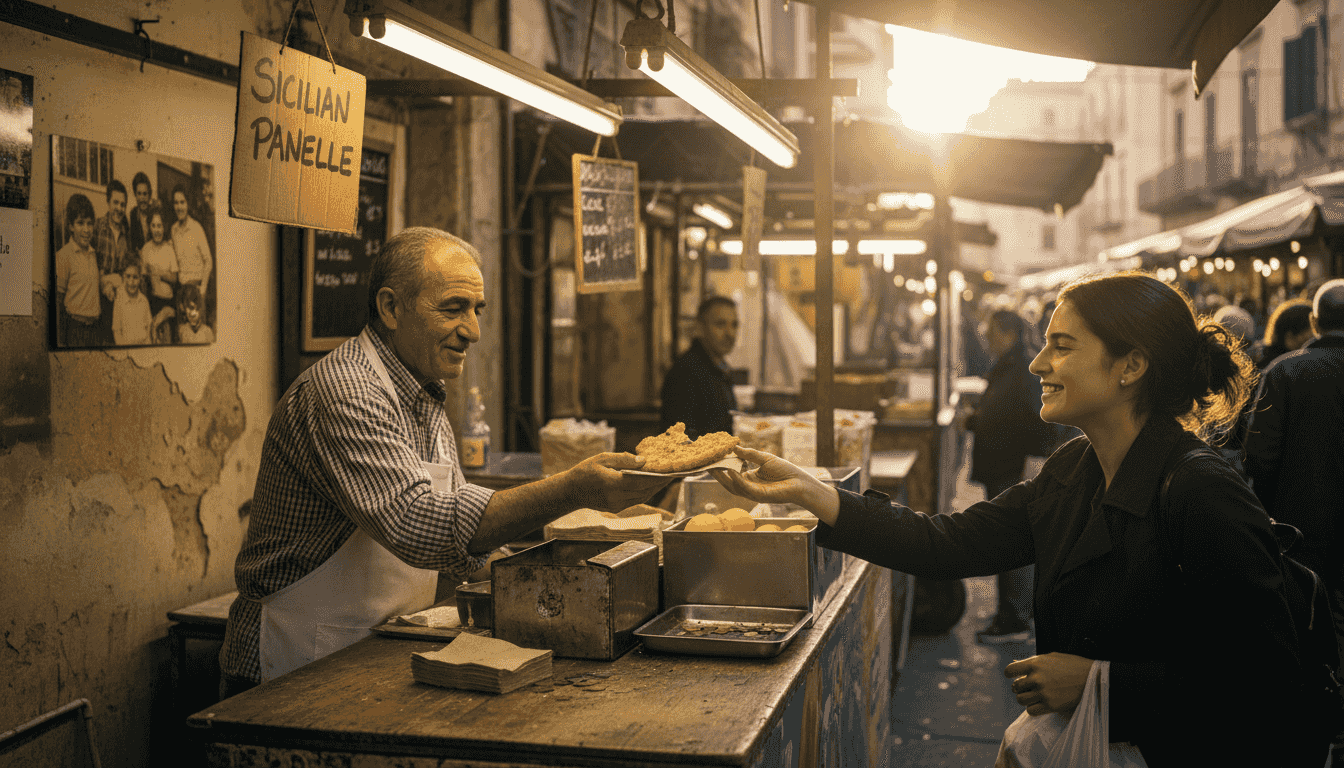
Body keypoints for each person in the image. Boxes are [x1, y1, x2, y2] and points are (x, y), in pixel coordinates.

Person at [711, 271, 1322, 766]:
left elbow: (1268, 679)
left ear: (1129, 366)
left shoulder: (1199, 490)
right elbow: (947, 544)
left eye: (1062, 347)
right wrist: (817, 494)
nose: (1037, 366)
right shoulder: (1076, 469)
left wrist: (1103, 685)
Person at [220, 227, 671, 696]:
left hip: (368, 652)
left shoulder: (423, 394)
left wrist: (580, 560)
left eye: (476, 310)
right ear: (391, 308)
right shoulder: (345, 392)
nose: (473, 331)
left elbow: (462, 557)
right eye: (453, 308)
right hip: (291, 664)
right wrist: (574, 489)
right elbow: (421, 523)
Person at [1244, 279, 1344, 671]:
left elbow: (1259, 458)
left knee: (1310, 620)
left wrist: (1272, 515)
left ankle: (1327, 701)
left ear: (1315, 323)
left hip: (1301, 526)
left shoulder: (1284, 372)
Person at [965, 310, 1044, 643]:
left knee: (1012, 545)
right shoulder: (1007, 365)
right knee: (1004, 540)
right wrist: (975, 420)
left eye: (992, 331)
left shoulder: (1025, 369)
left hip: (1012, 469)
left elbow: (1040, 420)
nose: (987, 336)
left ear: (1009, 333)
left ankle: (1015, 620)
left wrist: (1032, 464)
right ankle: (1011, 614)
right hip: (1000, 466)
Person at [659, 296, 738, 439]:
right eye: (720, 324)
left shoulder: (718, 367)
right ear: (700, 328)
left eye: (734, 325)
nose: (730, 333)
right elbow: (682, 439)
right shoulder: (686, 374)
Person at [53, 193, 101, 348]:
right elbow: (58, 304)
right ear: (71, 226)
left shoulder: (94, 254)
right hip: (76, 330)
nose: (86, 230)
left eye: (89, 223)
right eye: (80, 223)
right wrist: (60, 342)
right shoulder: (63, 256)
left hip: (95, 330)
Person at [94, 178, 131, 345]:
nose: (119, 208)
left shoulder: (126, 234)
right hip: (97, 299)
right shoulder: (97, 228)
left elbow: (125, 271)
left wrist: (116, 279)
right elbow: (90, 266)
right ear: (108, 202)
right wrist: (105, 282)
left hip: (118, 299)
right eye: (115, 203)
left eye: (122, 204)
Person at [139, 206, 178, 341]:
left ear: (164, 227)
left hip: (168, 302)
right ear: (149, 227)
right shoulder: (146, 249)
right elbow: (143, 280)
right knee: (153, 339)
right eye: (154, 226)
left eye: (160, 226)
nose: (157, 230)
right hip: (153, 302)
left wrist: (160, 273)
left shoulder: (169, 249)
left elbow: (174, 278)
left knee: (167, 339)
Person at [171, 184, 213, 297]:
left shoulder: (196, 228)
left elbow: (209, 261)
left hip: (196, 288)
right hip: (181, 290)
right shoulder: (173, 230)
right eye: (176, 203)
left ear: (188, 204)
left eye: (182, 202)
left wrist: (203, 288)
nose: (179, 207)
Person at [1254, 298, 1313, 371]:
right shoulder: (1282, 370)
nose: (1315, 341)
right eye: (1310, 337)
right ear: (1289, 337)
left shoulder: (1262, 361)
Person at [111, 260, 151, 345]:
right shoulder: (119, 300)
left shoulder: (144, 300)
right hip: (126, 348)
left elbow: (148, 329)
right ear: (123, 277)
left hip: (143, 347)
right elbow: (117, 331)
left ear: (140, 278)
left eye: (135, 277)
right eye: (128, 277)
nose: (131, 282)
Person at [128, 172, 154, 255]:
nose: (142, 198)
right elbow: (133, 245)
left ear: (149, 195)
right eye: (139, 194)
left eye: (145, 194)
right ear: (135, 195)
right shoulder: (133, 215)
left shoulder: (156, 213)